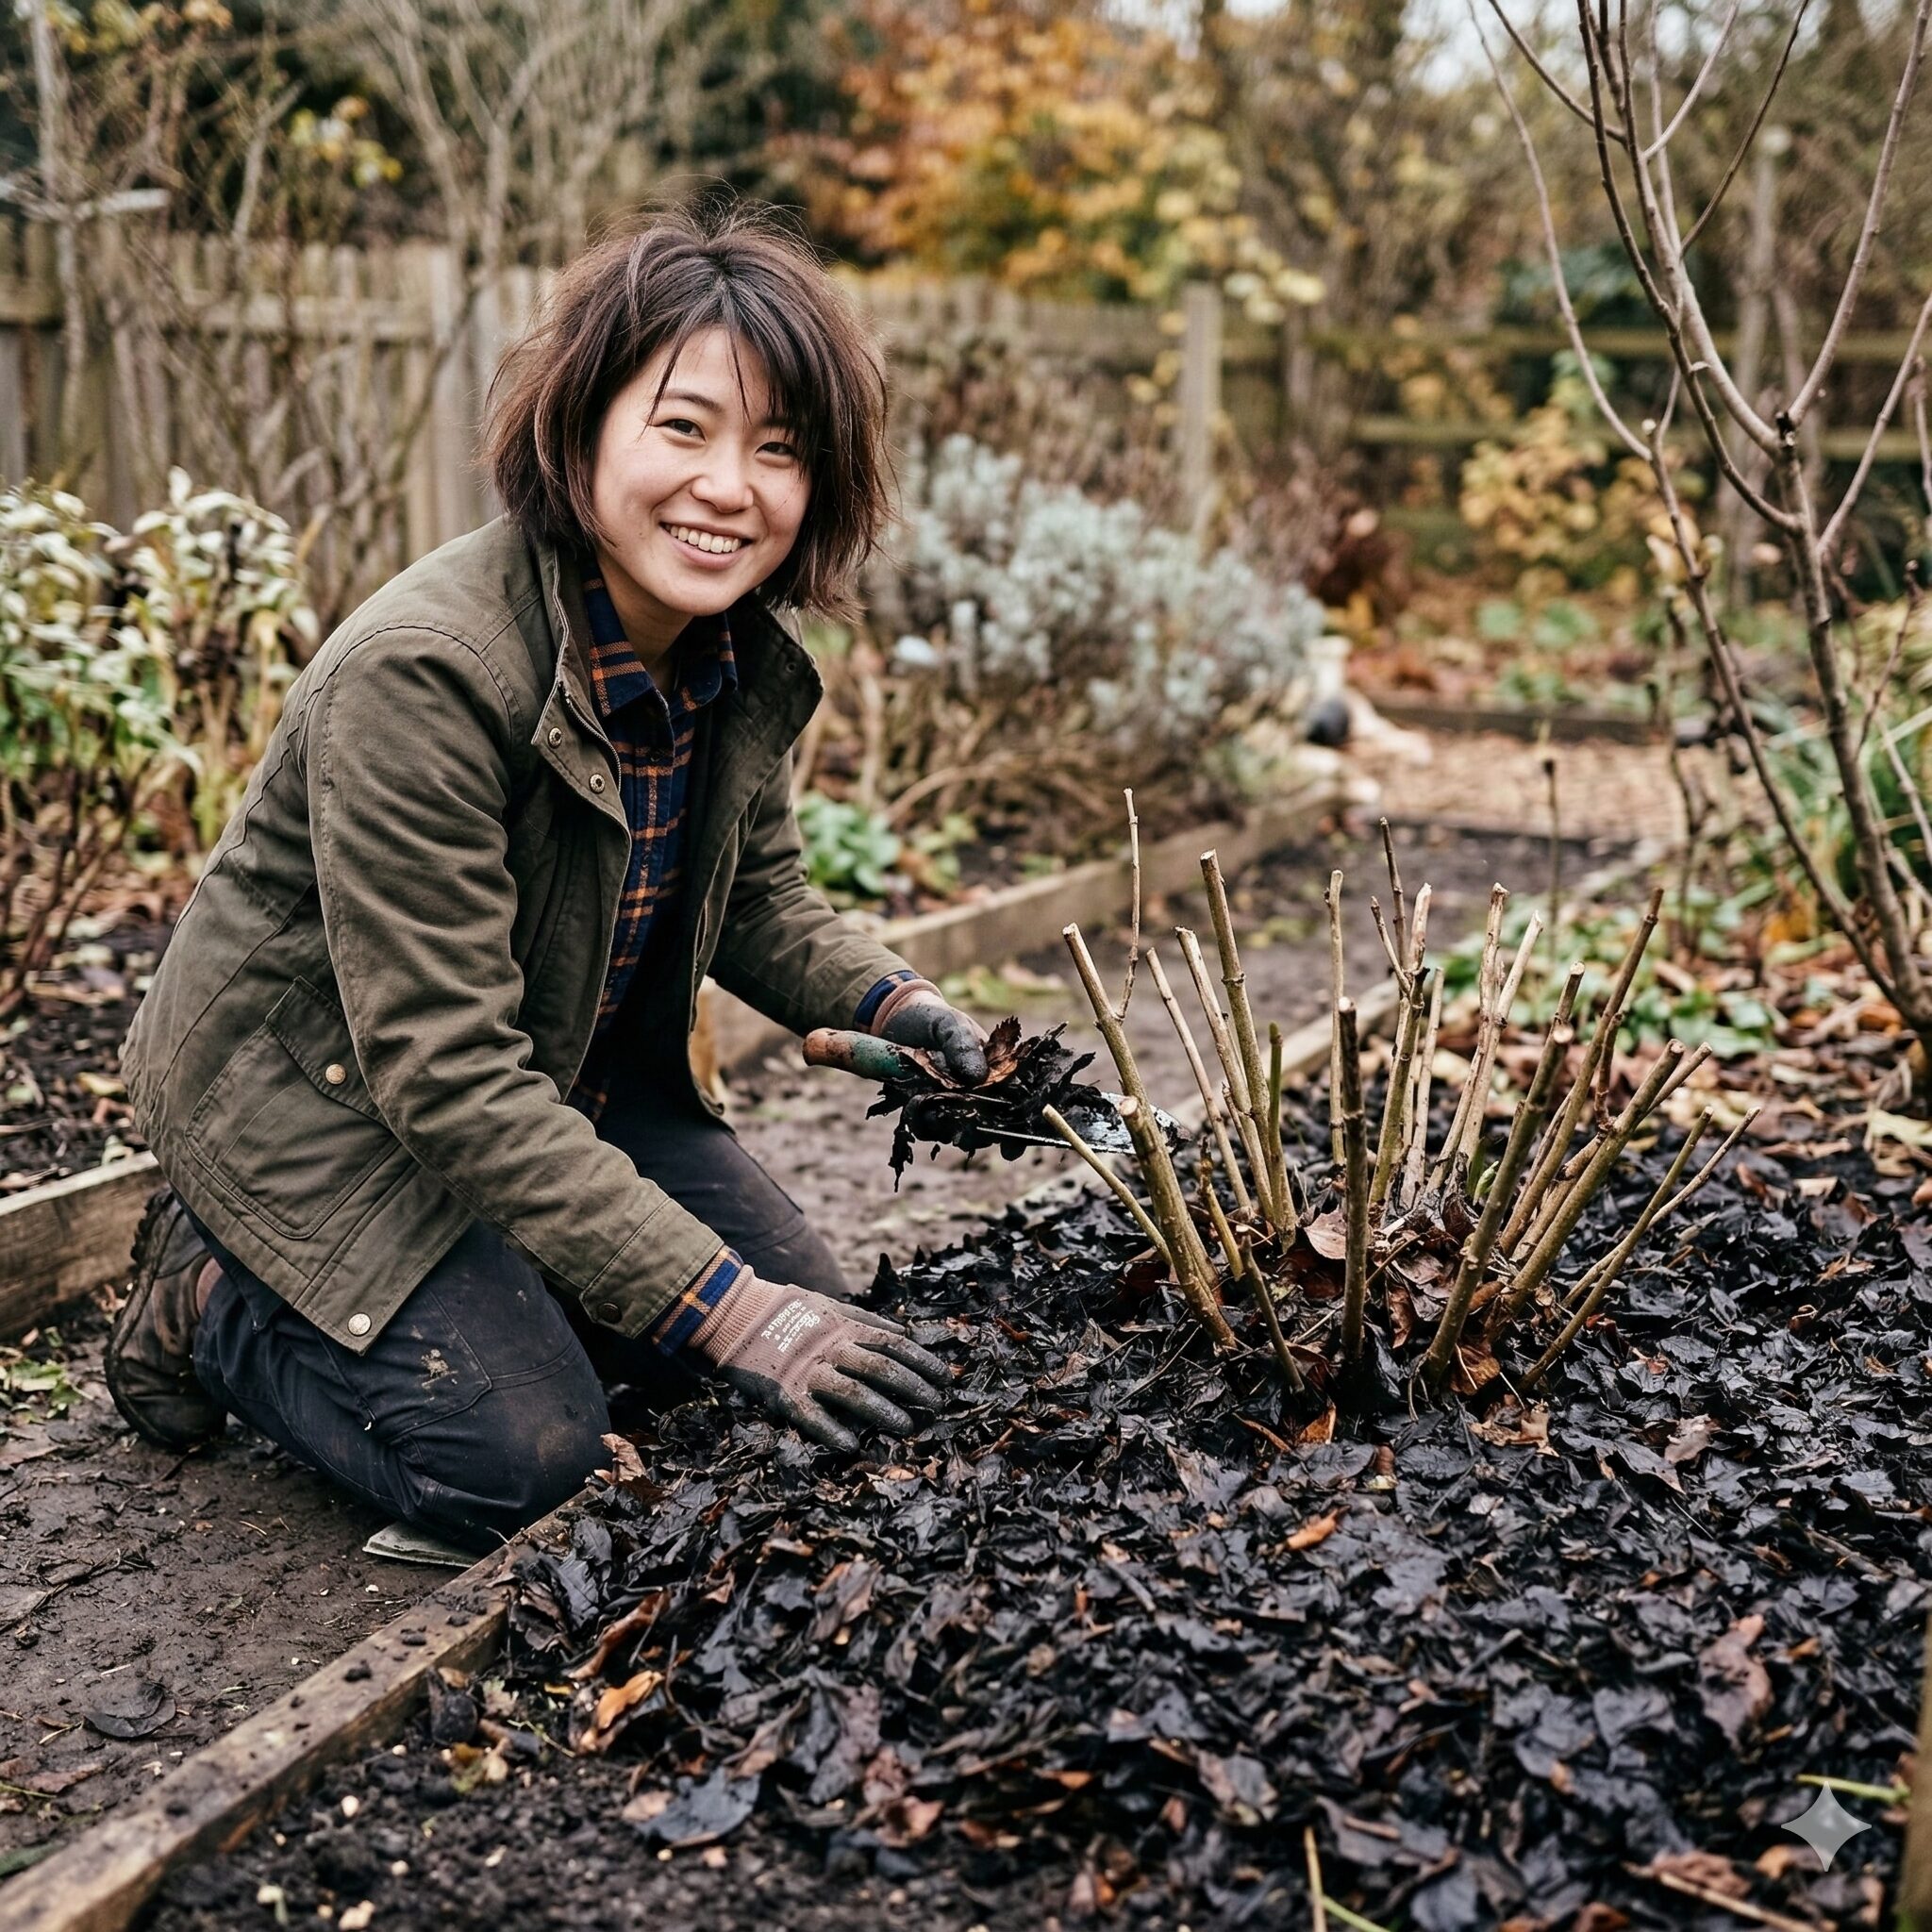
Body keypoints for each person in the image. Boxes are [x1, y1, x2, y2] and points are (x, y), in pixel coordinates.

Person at [108, 203, 991, 1550]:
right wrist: (735, 1311)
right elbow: (446, 1073)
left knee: (792, 1339)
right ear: (581, 431)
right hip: (317, 1108)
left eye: (779, 451)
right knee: (529, 1461)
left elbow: (758, 902)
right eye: (683, 428)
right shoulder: (428, 674)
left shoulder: (728, 654)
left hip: (556, 1074)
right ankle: (212, 1302)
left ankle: (499, 1280)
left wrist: (896, 1007)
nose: (728, 486)